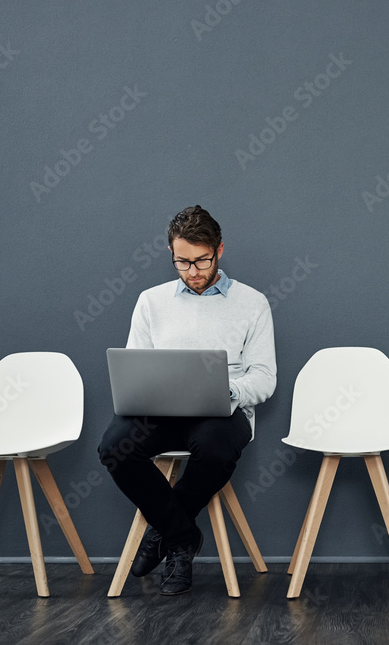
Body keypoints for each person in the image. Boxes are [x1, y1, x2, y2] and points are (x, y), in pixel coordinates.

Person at [98, 205, 276, 595]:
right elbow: (136, 365)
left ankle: (163, 535)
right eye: (183, 262)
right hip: (160, 410)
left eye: (201, 261)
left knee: (215, 449)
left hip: (222, 411)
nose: (193, 271)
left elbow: (265, 378)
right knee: (114, 448)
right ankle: (180, 538)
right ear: (171, 255)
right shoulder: (150, 301)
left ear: (220, 251)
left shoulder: (252, 303)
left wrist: (226, 391)